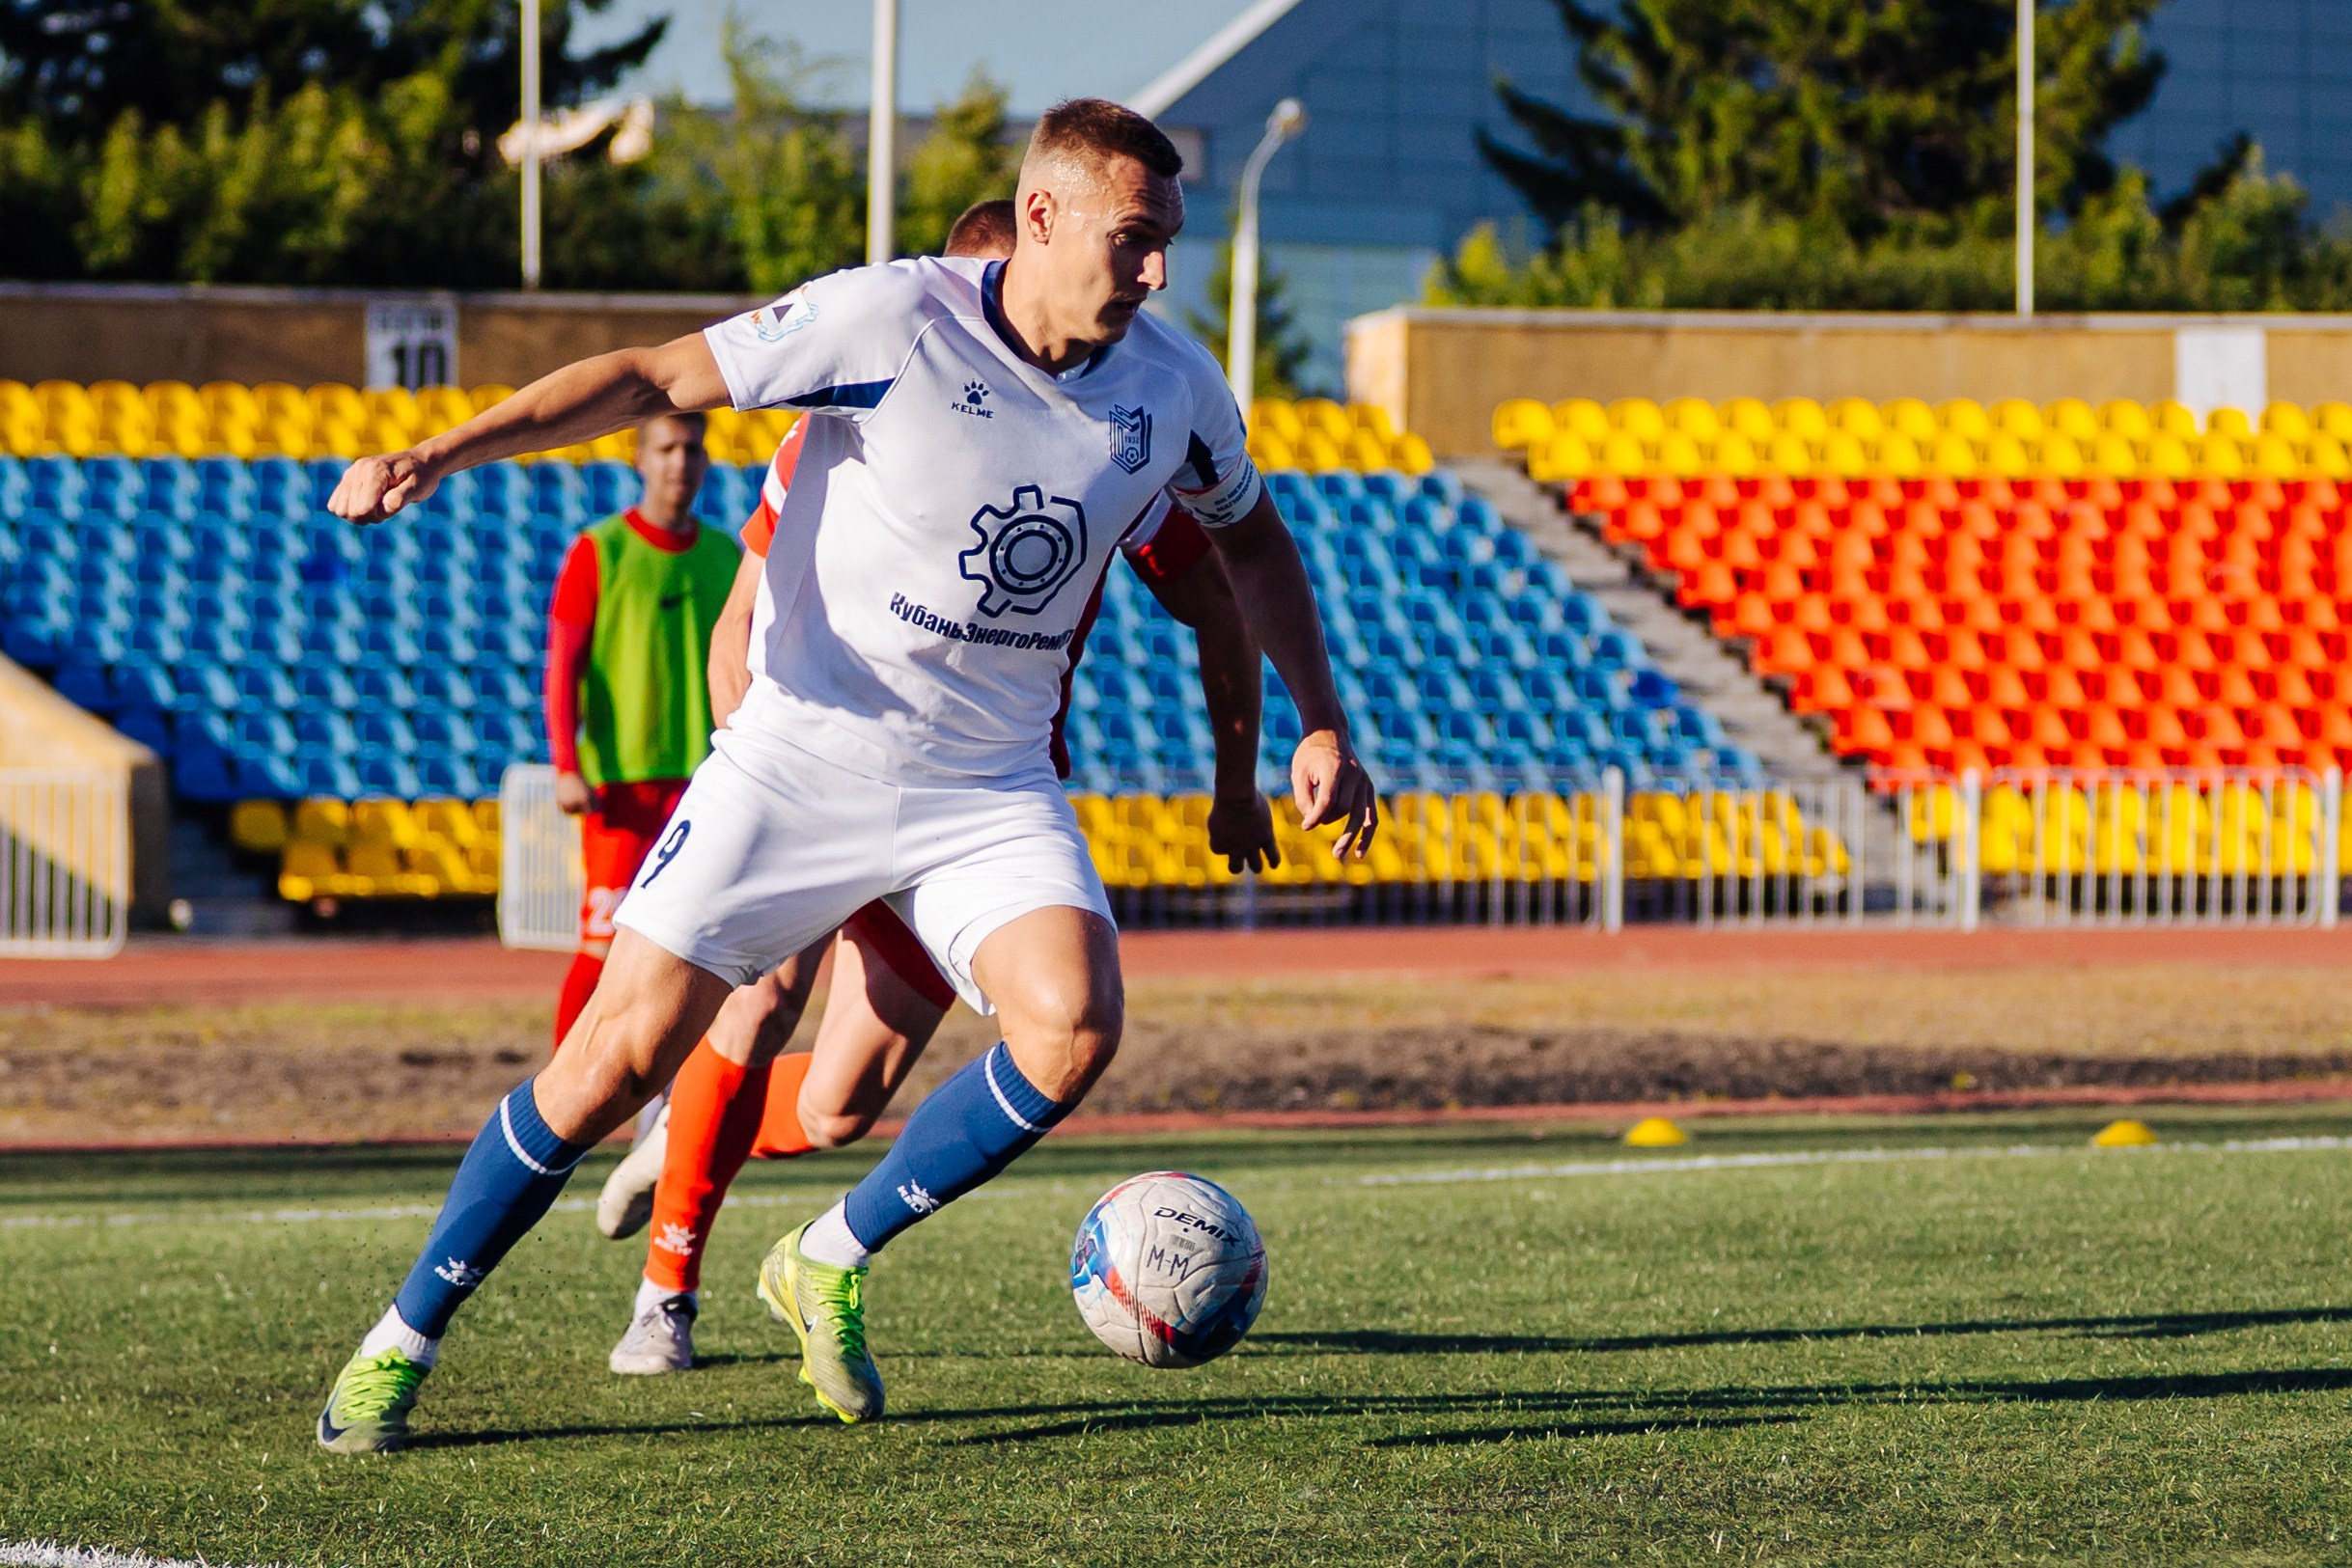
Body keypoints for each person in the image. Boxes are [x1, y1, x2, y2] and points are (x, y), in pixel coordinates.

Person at [315, 97, 1375, 1453]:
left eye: (1168, 241)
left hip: (987, 785)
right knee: (609, 1067)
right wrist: (438, 450)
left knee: (1073, 1027)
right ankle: (402, 1336)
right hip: (799, 757)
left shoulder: (1174, 386)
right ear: (1041, 215)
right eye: (1135, 237)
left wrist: (1320, 720)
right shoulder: (891, 318)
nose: (1157, 269)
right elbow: (652, 379)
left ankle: (824, 1252)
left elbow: (1256, 549)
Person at [597, 204, 1282, 1378]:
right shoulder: (858, 403)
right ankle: (667, 1291)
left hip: (969, 809)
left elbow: (1222, 595)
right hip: (817, 768)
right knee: (752, 1008)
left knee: (838, 1110)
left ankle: (688, 1139)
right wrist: (752, 765)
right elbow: (740, 620)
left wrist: (1241, 771)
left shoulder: (1110, 431)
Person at [543, 412, 741, 1052]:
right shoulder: (599, 550)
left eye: (690, 448)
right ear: (639, 459)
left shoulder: (726, 554)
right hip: (620, 787)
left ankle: (667, 1105)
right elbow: (563, 667)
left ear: (705, 459)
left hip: (705, 784)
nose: (679, 462)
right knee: (603, 947)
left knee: (704, 954)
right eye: (665, 449)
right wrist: (565, 764)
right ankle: (559, 1094)